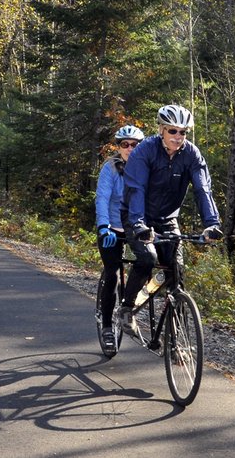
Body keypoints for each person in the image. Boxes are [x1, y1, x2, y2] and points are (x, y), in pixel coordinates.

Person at [119, 104, 223, 335]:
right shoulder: (145, 151)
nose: (178, 137)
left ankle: (176, 342)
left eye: (183, 132)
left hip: (167, 219)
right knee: (148, 257)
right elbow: (136, 189)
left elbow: (202, 189)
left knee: (176, 272)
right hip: (137, 216)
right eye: (172, 131)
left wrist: (211, 223)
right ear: (161, 130)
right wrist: (138, 224)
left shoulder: (190, 154)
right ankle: (126, 308)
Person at [95, 124, 145, 355]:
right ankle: (107, 327)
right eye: (125, 145)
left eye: (135, 145)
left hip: (135, 227)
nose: (130, 149)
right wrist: (104, 227)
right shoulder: (110, 169)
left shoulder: (146, 168)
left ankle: (129, 305)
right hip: (111, 229)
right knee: (112, 274)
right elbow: (102, 198)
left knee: (149, 262)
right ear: (118, 147)